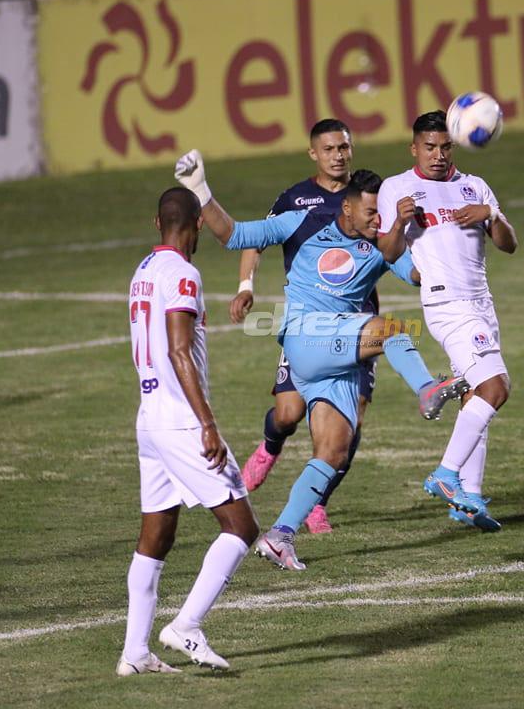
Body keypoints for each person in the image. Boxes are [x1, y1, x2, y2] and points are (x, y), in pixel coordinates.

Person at [174, 150, 467, 570]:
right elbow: (234, 235)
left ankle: (280, 536)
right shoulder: (302, 221)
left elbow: (421, 274)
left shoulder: (383, 242)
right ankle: (427, 391)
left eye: (381, 212)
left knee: (333, 452)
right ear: (346, 207)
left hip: (339, 357)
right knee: (393, 331)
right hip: (305, 335)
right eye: (370, 212)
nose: (376, 219)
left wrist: (441, 236)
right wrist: (199, 188)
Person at [117, 186, 259, 675]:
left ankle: (134, 654)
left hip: (149, 419)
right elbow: (180, 351)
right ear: (199, 225)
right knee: (242, 527)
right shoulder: (183, 273)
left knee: (156, 535)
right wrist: (208, 425)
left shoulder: (143, 271)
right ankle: (187, 626)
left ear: (158, 224)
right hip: (180, 419)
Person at [232, 119, 377, 534]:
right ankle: (269, 447)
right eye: (329, 149)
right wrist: (246, 286)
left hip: (356, 326)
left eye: (344, 148)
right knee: (289, 412)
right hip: (306, 325)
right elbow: (255, 240)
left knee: (352, 423)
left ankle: (317, 501)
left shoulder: (368, 199)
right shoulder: (295, 201)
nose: (338, 156)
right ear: (314, 154)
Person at [377, 110, 518, 532]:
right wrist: (400, 221)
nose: (437, 155)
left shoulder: (474, 187)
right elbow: (386, 251)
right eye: (429, 147)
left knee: (475, 394)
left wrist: (491, 215)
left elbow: (509, 245)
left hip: (481, 303)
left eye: (444, 147)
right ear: (414, 148)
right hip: (446, 304)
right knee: (496, 387)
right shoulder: (397, 188)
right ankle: (446, 474)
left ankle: (469, 499)